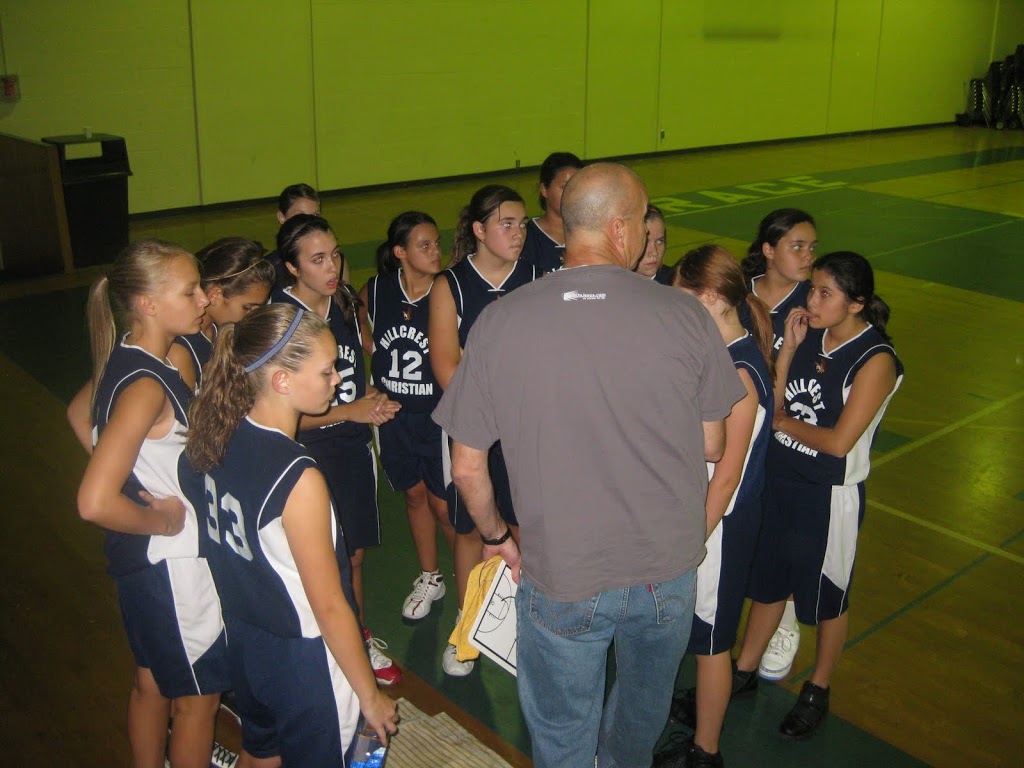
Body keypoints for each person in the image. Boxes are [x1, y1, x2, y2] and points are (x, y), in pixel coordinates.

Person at [432, 163, 746, 768]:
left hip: (563, 572)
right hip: (665, 571)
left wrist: (496, 537)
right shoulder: (684, 316)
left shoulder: (502, 320)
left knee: (561, 730)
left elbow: (466, 468)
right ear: (621, 229)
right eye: (644, 221)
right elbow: (712, 443)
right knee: (640, 716)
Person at [184, 304, 399, 766]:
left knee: (260, 753)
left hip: (247, 643)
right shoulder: (298, 478)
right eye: (326, 371)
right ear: (281, 380)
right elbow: (329, 605)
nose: (338, 379)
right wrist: (370, 696)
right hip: (305, 662)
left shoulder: (216, 434)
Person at [733, 251, 903, 740]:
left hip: (828, 496)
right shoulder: (809, 334)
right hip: (781, 481)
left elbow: (837, 442)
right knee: (769, 583)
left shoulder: (875, 360)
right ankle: (743, 669)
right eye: (813, 289)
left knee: (828, 598)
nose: (812, 300)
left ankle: (818, 688)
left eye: (825, 293)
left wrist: (783, 424)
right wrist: (787, 352)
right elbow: (776, 396)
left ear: (857, 303)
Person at [75, 239, 228, 768]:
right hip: (172, 567)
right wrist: (160, 521)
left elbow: (78, 416)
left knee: (152, 682)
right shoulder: (147, 385)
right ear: (147, 303)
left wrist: (132, 474)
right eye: (189, 291)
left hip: (143, 567)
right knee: (197, 701)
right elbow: (93, 501)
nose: (203, 299)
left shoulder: (123, 359)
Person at [272, 214, 403, 686]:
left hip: (351, 448)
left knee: (352, 555)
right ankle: (318, 649)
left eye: (335, 255)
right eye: (317, 259)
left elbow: (351, 378)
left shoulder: (343, 302)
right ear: (291, 267)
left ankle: (356, 637)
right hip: (305, 454)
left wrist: (371, 401)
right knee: (313, 562)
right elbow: (277, 414)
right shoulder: (280, 321)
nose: (332, 267)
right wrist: (349, 411)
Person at [658, 246, 775, 768]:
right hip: (702, 517)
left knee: (711, 643)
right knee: (703, 637)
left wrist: (689, 545)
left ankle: (705, 751)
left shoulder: (740, 372)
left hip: (718, 528)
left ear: (708, 298)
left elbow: (726, 477)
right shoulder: (723, 352)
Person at [428, 184, 536, 676]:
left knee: (526, 527)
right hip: (475, 431)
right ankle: (467, 626)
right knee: (470, 529)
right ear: (478, 229)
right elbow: (447, 367)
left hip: (527, 432)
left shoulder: (535, 277)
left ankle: (525, 624)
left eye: (522, 224)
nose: (518, 233)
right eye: (506, 224)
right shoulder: (450, 285)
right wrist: (497, 411)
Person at [66, 237, 275, 449]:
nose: (203, 299)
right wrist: (126, 467)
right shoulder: (173, 353)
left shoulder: (209, 331)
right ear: (215, 295)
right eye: (248, 308)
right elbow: (79, 412)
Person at [358, 212, 456, 621]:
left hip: (437, 418)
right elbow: (355, 326)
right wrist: (373, 361)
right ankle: (431, 577)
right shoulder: (377, 290)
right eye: (424, 245)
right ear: (400, 252)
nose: (436, 252)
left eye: (436, 244)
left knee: (445, 507)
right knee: (414, 496)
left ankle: (475, 591)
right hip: (394, 417)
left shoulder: (448, 289)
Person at [738, 207, 818, 680]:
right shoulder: (738, 292)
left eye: (812, 247)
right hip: (735, 426)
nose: (808, 256)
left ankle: (785, 616)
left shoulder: (815, 303)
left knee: (783, 529)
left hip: (785, 433)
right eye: (797, 246)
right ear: (768, 250)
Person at [518, 151, 583, 273]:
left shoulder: (592, 231)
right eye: (564, 187)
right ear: (544, 189)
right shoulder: (526, 236)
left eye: (577, 186)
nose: (572, 193)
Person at [635, 204, 672, 284]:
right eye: (645, 242)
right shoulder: (611, 283)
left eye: (660, 241)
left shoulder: (677, 284)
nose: (655, 252)